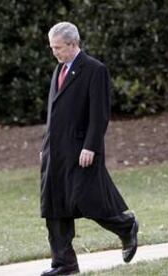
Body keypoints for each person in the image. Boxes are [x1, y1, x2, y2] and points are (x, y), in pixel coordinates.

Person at [39, 22, 138, 276]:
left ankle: (126, 227)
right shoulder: (58, 70)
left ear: (73, 44)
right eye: (52, 48)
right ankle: (64, 264)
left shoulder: (95, 70)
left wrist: (91, 146)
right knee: (55, 207)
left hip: (81, 151)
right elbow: (55, 114)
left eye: (58, 48)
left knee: (89, 201)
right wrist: (46, 148)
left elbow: (99, 113)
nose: (54, 53)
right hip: (56, 152)